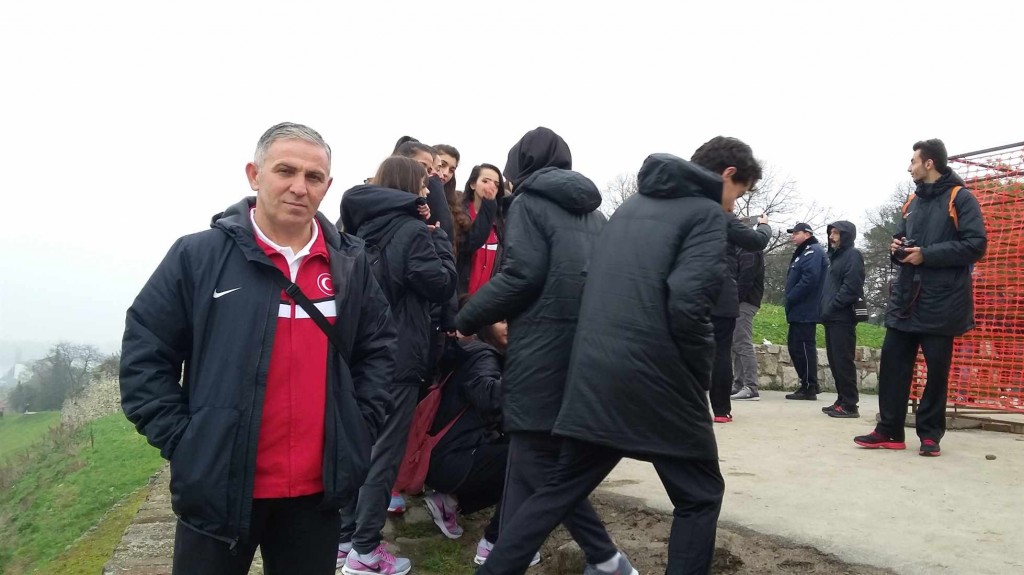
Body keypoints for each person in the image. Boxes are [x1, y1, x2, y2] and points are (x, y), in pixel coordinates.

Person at [119, 122, 396, 575]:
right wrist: (186, 443)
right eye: (285, 171)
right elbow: (145, 352)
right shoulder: (198, 256)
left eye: (313, 177)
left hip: (316, 495)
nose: (299, 187)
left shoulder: (350, 264)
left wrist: (358, 428)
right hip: (219, 488)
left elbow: (379, 351)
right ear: (254, 174)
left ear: (327, 186)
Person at [475, 141, 760, 575]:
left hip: (597, 373)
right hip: (661, 377)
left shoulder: (631, 207)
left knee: (559, 489)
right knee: (699, 495)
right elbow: (688, 304)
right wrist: (699, 370)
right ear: (728, 175)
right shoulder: (705, 215)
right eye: (739, 193)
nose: (734, 205)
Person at [455, 127, 624, 574]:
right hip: (583, 351)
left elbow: (521, 275)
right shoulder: (596, 215)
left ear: (521, 166)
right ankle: (599, 558)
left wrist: (467, 318)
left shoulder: (528, 204)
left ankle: (598, 558)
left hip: (540, 351)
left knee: (537, 461)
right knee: (537, 462)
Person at [338, 156, 458, 575]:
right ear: (409, 187)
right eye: (423, 186)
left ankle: (344, 538)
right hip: (399, 355)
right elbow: (441, 283)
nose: (426, 193)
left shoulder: (355, 228)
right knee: (385, 454)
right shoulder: (412, 231)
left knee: (357, 447)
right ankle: (366, 551)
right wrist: (439, 240)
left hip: (359, 354)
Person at [855, 139, 986, 456]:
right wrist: (896, 249)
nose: (909, 167)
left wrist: (926, 254)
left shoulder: (961, 198)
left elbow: (976, 245)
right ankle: (889, 431)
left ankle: (930, 435)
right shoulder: (911, 201)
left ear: (929, 163)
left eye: (913, 161)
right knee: (892, 366)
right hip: (905, 298)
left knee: (936, 372)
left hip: (942, 301)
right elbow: (902, 239)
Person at [422, 318, 540, 568]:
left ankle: (450, 501)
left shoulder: (475, 350)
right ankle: (498, 543)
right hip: (455, 458)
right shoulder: (483, 355)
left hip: (444, 458)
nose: (509, 326)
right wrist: (530, 381)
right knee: (532, 461)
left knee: (522, 451)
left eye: (514, 319)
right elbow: (486, 393)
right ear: (486, 324)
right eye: (502, 321)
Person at [704, 204, 770, 421]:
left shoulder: (694, 218)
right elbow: (758, 240)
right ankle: (723, 408)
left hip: (705, 294)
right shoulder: (728, 223)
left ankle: (747, 385)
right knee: (724, 350)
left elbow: (747, 277)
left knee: (735, 345)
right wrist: (764, 226)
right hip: (725, 296)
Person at [819, 221, 866, 418]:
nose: (831, 237)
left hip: (843, 317)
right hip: (831, 317)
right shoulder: (835, 257)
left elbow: (851, 287)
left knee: (843, 361)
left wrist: (832, 306)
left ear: (846, 236)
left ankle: (850, 404)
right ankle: (841, 400)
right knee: (835, 361)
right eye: (831, 233)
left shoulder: (853, 255)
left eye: (836, 233)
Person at [783, 222, 828, 400]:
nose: (792, 236)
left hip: (805, 308)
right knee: (796, 346)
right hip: (799, 309)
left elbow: (810, 278)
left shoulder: (812, 251)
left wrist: (792, 296)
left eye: (796, 233)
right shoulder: (803, 252)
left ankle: (809, 386)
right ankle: (809, 383)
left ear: (807, 234)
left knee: (802, 346)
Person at [457, 164, 506, 296]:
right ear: (473, 184)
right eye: (485, 181)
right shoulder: (459, 216)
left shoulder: (500, 224)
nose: (491, 187)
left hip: (485, 300)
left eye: (496, 184)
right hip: (460, 296)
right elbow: (467, 245)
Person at [731, 233, 769, 401]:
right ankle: (738, 384)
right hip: (741, 301)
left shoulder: (749, 250)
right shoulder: (743, 248)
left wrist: (734, 299)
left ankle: (751, 387)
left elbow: (745, 279)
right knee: (736, 343)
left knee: (742, 343)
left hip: (745, 301)